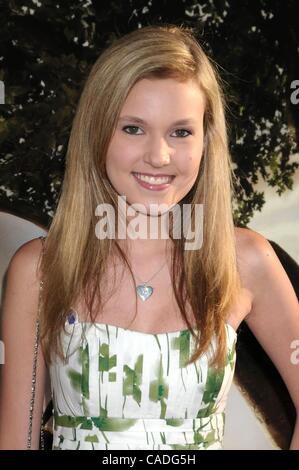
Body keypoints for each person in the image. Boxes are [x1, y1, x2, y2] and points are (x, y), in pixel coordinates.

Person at [0, 24, 298, 451]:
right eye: (133, 128)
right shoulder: (41, 269)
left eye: (181, 131)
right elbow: (16, 441)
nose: (158, 156)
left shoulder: (245, 260)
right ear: (97, 132)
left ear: (205, 140)